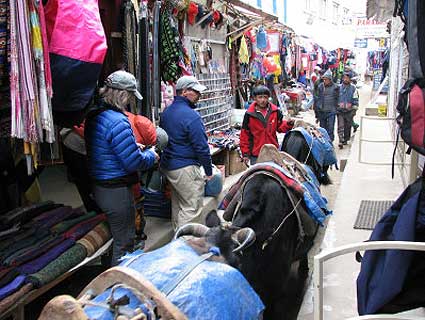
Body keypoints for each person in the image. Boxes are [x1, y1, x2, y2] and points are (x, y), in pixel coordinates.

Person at [85, 70, 158, 266]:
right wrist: (151, 155)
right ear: (123, 94)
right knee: (124, 242)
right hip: (115, 189)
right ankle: (117, 289)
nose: (130, 101)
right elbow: (133, 162)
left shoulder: (95, 114)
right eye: (130, 96)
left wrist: (134, 147)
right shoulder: (118, 121)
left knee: (117, 238)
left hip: (102, 184)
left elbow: (108, 148)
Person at [159, 75, 212, 230]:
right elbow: (201, 147)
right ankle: (184, 246)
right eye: (196, 92)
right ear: (185, 92)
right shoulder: (191, 116)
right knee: (191, 209)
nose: (199, 96)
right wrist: (208, 170)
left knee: (178, 206)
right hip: (185, 167)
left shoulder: (167, 112)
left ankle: (176, 243)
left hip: (170, 165)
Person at [240, 85, 294, 165]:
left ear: (268, 98)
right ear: (254, 98)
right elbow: (244, 135)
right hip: (256, 153)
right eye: (260, 97)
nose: (263, 100)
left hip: (273, 151)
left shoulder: (275, 112)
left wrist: (288, 124)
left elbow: (280, 127)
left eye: (265, 97)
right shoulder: (249, 114)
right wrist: (245, 154)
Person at [314, 69, 339, 142]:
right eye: (324, 79)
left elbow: (338, 98)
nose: (325, 81)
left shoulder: (336, 87)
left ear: (330, 80)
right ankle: (324, 142)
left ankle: (330, 142)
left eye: (326, 79)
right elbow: (317, 98)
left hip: (332, 111)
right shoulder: (320, 87)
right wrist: (317, 110)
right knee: (322, 129)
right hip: (322, 111)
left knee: (331, 128)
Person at [337, 72, 359, 149]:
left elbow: (356, 99)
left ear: (350, 79)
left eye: (347, 78)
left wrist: (354, 110)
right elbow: (335, 98)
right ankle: (340, 140)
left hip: (349, 111)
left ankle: (345, 139)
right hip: (340, 111)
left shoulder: (353, 88)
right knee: (340, 125)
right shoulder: (339, 88)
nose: (345, 79)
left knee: (347, 126)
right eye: (344, 78)